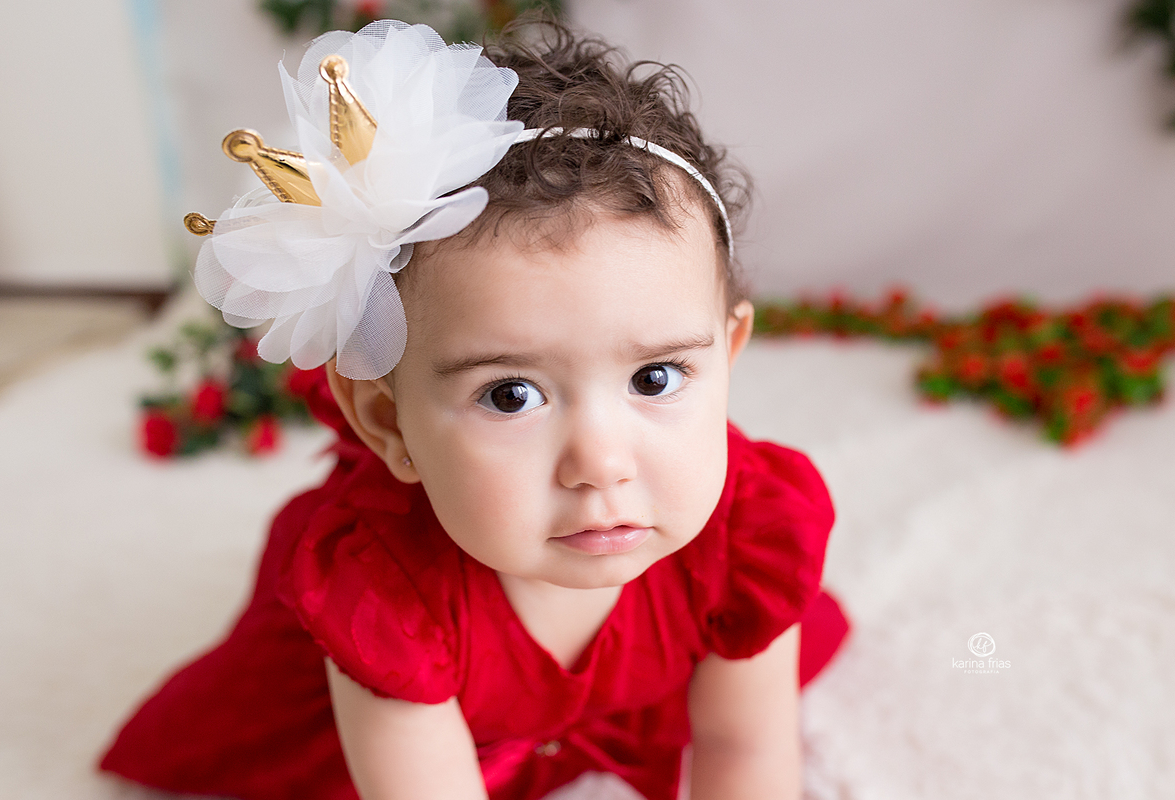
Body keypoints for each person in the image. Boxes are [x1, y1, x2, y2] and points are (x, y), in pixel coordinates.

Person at [99, 18, 849, 800]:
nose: (600, 461)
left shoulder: (749, 532)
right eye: (510, 395)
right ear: (388, 423)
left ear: (726, 356)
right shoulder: (386, 594)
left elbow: (743, 752)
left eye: (656, 378)